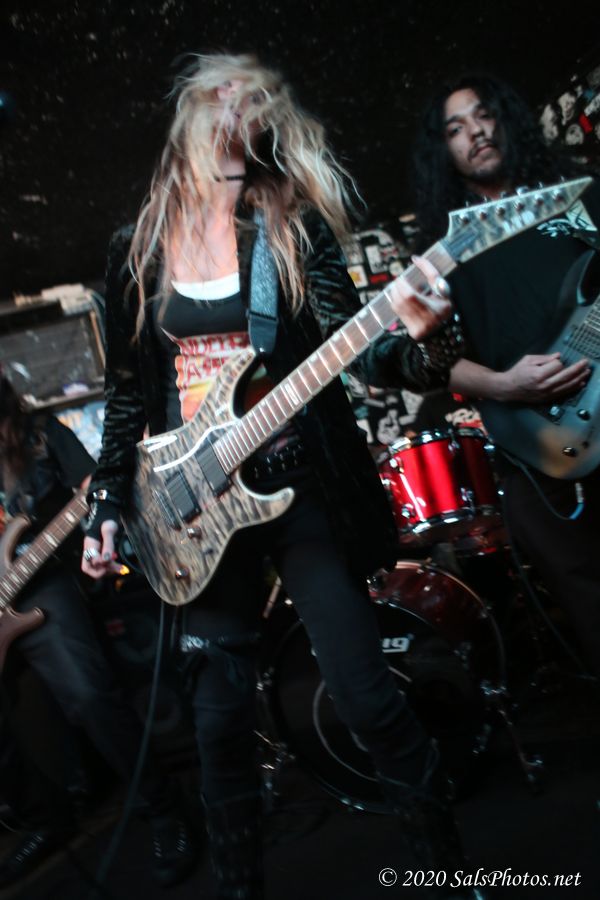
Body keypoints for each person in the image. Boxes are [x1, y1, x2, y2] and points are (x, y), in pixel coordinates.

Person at [81, 53, 484, 900]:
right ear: (192, 110)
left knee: (368, 697)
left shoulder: (289, 229)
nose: (237, 104)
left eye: (254, 97)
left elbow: (363, 352)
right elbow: (127, 393)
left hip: (299, 489)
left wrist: (427, 340)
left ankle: (450, 873)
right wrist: (109, 501)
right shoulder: (138, 249)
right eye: (222, 91)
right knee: (218, 725)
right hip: (192, 507)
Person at [412, 73, 600, 679]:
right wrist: (503, 385)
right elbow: (427, 359)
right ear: (444, 149)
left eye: (484, 115)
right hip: (533, 438)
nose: (475, 132)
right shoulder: (443, 247)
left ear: (507, 119)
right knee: (584, 588)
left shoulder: (577, 197)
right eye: (456, 128)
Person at [0, 372, 196, 889]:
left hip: (41, 583)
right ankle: (45, 818)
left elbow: (96, 488)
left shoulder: (41, 434)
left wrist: (95, 527)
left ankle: (164, 806)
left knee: (90, 696)